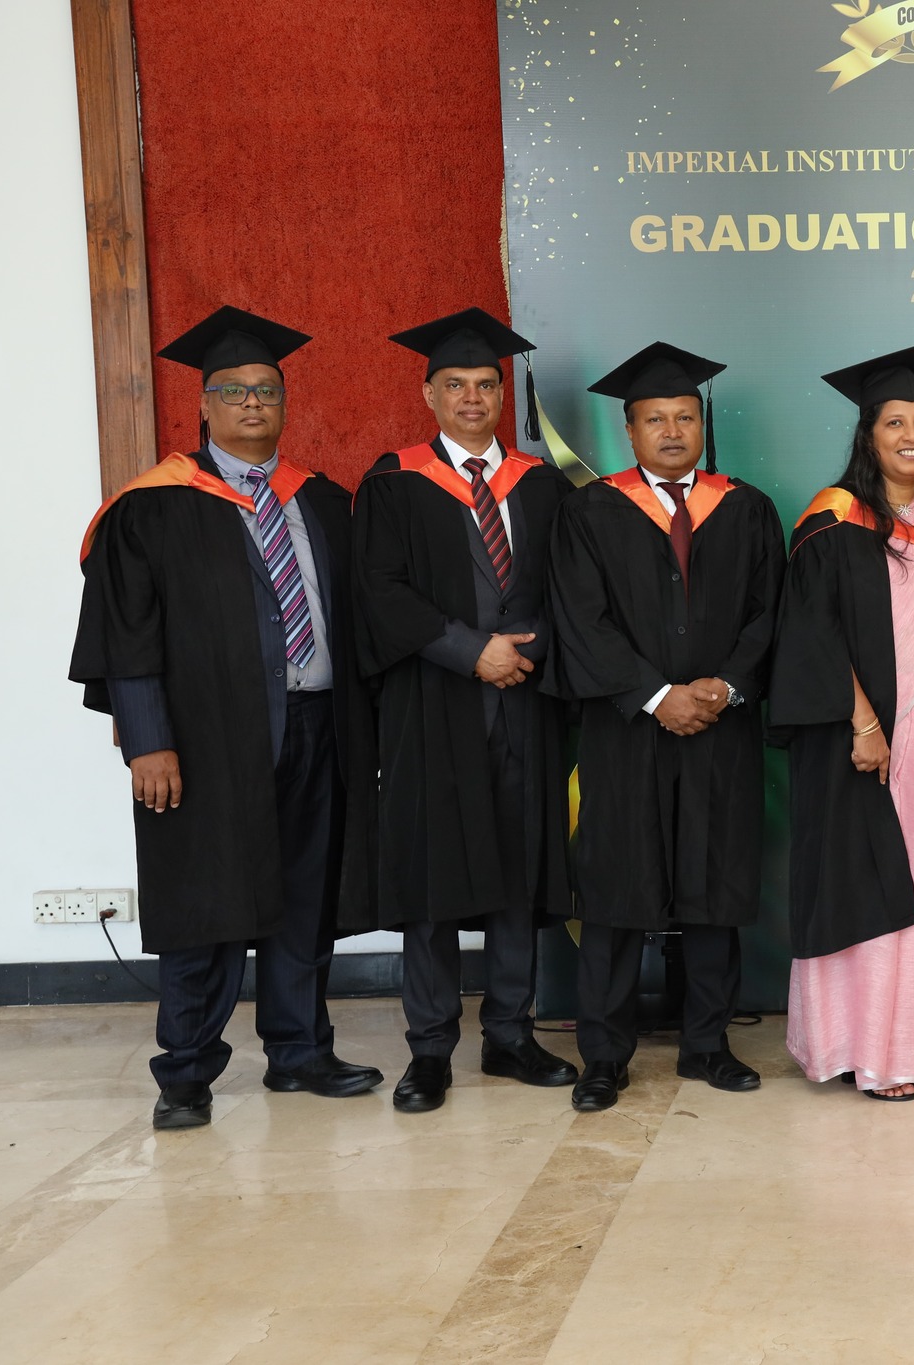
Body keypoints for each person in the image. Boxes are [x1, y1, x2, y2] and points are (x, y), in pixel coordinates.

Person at [71, 306, 382, 1129]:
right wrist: (148, 743)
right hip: (204, 741)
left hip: (318, 726)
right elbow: (127, 635)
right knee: (204, 900)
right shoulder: (151, 508)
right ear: (204, 404)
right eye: (235, 391)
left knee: (305, 898)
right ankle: (186, 1071)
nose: (252, 403)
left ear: (285, 403)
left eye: (266, 391)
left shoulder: (321, 500)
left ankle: (299, 1050)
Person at [546, 342, 785, 1110]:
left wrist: (727, 685)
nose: (673, 430)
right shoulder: (590, 510)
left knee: (713, 890)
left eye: (685, 416)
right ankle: (604, 1054)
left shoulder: (745, 507)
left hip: (720, 727)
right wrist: (655, 695)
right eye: (656, 419)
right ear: (630, 428)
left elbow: (768, 613)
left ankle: (707, 1043)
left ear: (701, 424)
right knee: (617, 892)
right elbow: (581, 619)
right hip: (626, 734)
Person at [353, 308, 577, 1113]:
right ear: (430, 394)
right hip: (433, 704)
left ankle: (510, 1033)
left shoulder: (542, 485)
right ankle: (430, 1048)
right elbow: (378, 591)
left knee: (518, 869)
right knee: (433, 877)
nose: (473, 397)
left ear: (502, 394)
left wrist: (529, 645)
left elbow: (572, 586)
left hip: (524, 702)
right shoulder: (394, 483)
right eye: (457, 384)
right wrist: (469, 648)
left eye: (486, 384)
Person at [769, 348, 914, 1100]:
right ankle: (867, 1049)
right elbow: (812, 632)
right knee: (864, 882)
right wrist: (862, 722)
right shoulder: (832, 520)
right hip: (862, 738)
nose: (910, 435)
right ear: (868, 434)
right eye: (895, 422)